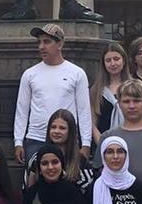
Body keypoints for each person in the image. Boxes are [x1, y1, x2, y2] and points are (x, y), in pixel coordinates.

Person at [14, 23, 92, 165]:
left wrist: (86, 143)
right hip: (36, 139)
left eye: (47, 42)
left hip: (67, 140)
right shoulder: (29, 74)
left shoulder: (77, 73)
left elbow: (84, 110)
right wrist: (18, 141)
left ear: (60, 44)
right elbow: (22, 110)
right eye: (39, 42)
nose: (41, 47)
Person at [25, 109, 94, 194]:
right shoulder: (36, 158)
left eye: (62, 128)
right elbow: (29, 190)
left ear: (70, 131)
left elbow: (88, 192)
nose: (56, 131)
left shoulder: (81, 160)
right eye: (53, 127)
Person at [90, 42, 130, 144]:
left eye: (116, 59)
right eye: (108, 60)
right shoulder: (96, 90)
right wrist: (102, 144)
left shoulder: (133, 87)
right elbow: (93, 123)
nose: (113, 64)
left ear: (124, 60)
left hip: (130, 142)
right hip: (104, 143)